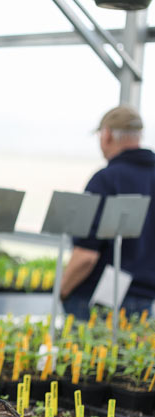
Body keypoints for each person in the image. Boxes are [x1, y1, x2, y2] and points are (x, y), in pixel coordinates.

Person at [60, 105, 155, 320]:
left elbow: (86, 255)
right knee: (129, 353)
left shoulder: (106, 179)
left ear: (107, 135)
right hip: (146, 298)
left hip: (97, 301)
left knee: (90, 352)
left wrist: (63, 289)